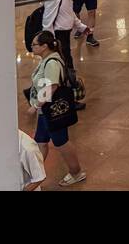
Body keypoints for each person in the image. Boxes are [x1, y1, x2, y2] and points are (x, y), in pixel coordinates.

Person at [26, 30, 85, 186]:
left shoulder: (52, 62)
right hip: (45, 110)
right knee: (41, 141)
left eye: (34, 44)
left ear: (44, 46)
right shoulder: (47, 59)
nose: (31, 47)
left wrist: (36, 105)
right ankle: (35, 175)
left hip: (52, 110)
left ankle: (76, 172)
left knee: (61, 142)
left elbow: (52, 87)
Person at [44, 0, 91, 73]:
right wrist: (49, 40)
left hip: (65, 33)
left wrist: (81, 27)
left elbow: (70, 14)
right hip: (58, 34)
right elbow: (48, 19)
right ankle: (68, 83)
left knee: (66, 58)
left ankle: (68, 82)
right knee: (63, 60)